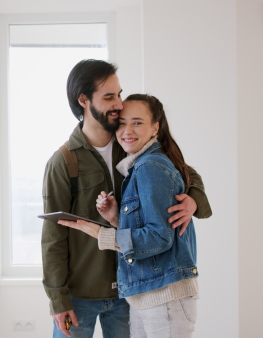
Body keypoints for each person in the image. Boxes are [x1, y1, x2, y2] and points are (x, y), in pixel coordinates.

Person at [41, 59, 212, 338]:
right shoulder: (63, 162)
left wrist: (192, 199)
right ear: (83, 100)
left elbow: (183, 173)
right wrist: (58, 301)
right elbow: (53, 239)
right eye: (109, 97)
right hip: (80, 297)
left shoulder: (132, 146)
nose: (119, 104)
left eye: (119, 94)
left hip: (130, 292)